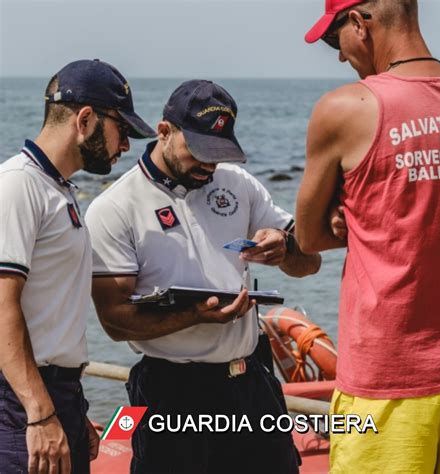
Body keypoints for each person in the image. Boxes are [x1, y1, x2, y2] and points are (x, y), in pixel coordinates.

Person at [85, 79, 322, 474]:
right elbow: (113, 322)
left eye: (220, 153)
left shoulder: (237, 183)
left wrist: (285, 247)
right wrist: (197, 315)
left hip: (250, 380)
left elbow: (309, 261)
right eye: (199, 152)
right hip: (171, 390)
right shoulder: (115, 207)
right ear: (164, 131)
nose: (210, 165)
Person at [296, 1, 440, 472]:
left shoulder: (345, 109)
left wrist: (358, 221)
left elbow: (310, 237)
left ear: (359, 24)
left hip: (389, 376)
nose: (339, 56)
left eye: (336, 40)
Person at [0, 59, 156, 474]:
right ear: (85, 119)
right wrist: (39, 412)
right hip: (20, 404)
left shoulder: (58, 189)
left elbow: (52, 314)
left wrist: (69, 407)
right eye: (121, 130)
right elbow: (2, 307)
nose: (126, 146)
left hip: (56, 393)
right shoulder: (18, 185)